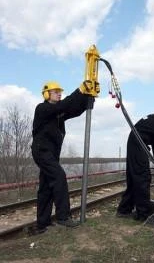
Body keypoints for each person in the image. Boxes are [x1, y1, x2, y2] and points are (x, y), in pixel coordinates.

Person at [31, 81, 93, 233]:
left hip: (51, 154)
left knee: (46, 187)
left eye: (60, 91)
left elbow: (74, 110)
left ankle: (42, 224)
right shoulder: (42, 108)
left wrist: (87, 97)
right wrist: (79, 90)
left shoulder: (57, 114)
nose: (59, 93)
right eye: (55, 91)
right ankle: (63, 217)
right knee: (59, 177)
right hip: (42, 151)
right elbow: (63, 105)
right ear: (47, 94)